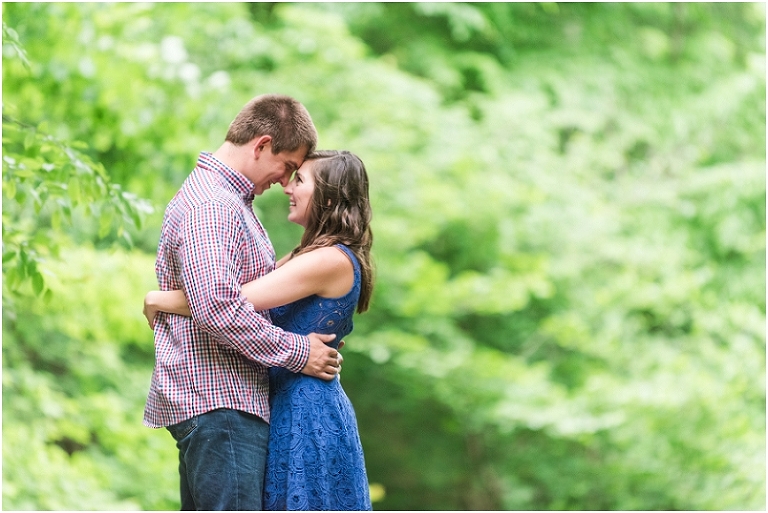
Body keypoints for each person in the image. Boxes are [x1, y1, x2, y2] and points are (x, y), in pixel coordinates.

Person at [143, 94, 343, 511]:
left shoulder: (228, 203)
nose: (285, 182)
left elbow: (236, 292)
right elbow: (217, 306)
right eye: (287, 167)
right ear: (261, 145)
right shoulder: (214, 205)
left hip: (222, 405)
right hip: (222, 404)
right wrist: (299, 353)